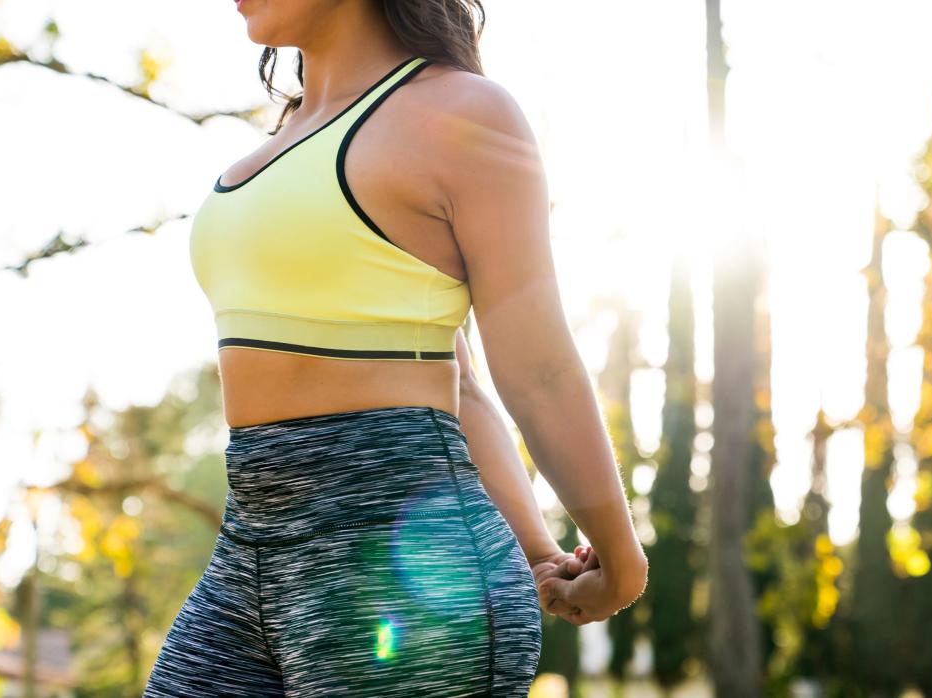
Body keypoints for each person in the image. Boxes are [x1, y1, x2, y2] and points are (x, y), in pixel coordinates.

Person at [144, 1, 647, 695]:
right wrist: (534, 546)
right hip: (251, 548)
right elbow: (457, 381)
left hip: (410, 570)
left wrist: (618, 559)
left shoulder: (460, 113)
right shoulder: (277, 141)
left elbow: (536, 369)